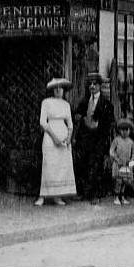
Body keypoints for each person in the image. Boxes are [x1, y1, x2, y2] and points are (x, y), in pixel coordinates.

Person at [72, 73, 114, 202]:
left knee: (96, 165)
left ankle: (95, 194)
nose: (92, 86)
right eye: (90, 84)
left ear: (100, 86)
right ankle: (84, 193)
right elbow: (77, 116)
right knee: (83, 164)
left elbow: (110, 123)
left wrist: (100, 125)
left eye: (95, 84)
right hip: (85, 138)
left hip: (98, 139)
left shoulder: (106, 103)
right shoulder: (85, 101)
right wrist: (79, 117)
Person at [35, 78, 77, 206]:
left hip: (64, 137)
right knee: (49, 165)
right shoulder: (46, 102)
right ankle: (42, 196)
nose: (58, 90)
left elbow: (70, 124)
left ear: (64, 90)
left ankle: (57, 196)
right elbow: (43, 122)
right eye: (56, 88)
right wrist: (54, 138)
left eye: (61, 88)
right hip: (50, 136)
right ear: (53, 90)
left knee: (61, 166)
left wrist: (68, 138)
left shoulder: (66, 104)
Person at [110, 118, 134, 205]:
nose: (124, 132)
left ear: (129, 130)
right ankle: (116, 197)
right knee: (118, 181)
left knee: (125, 181)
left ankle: (123, 196)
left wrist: (132, 160)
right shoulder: (116, 140)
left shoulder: (131, 142)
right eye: (122, 130)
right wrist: (116, 159)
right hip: (118, 164)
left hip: (127, 164)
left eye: (126, 130)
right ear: (119, 130)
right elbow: (111, 151)